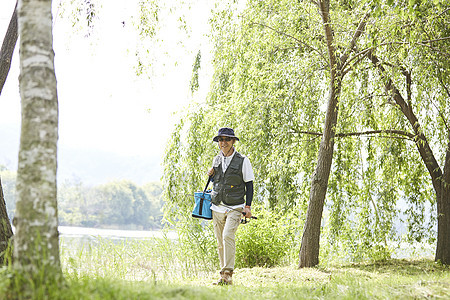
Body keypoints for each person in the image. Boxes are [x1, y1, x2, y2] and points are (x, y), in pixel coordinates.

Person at [207, 127, 254, 285]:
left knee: (228, 236)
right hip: (217, 206)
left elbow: (250, 185)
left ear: (233, 141)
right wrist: (211, 176)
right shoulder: (216, 160)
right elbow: (218, 183)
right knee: (220, 242)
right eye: (221, 139)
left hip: (236, 206)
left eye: (227, 139)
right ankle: (223, 276)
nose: (223, 142)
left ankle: (228, 274)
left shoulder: (243, 160)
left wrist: (247, 207)